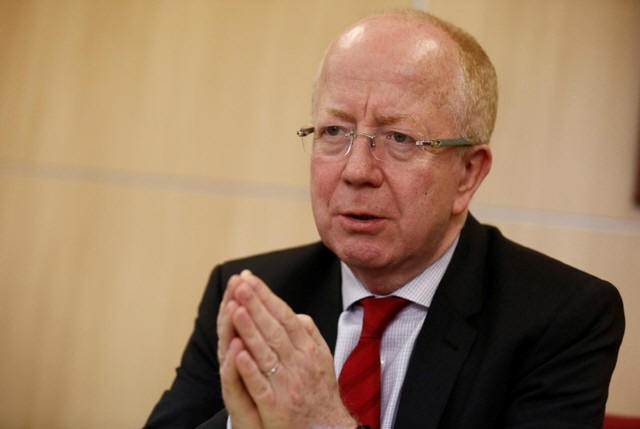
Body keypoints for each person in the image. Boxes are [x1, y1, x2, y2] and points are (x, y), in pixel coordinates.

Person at [145, 9, 624, 429]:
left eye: (399, 139)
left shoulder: (562, 317)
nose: (356, 171)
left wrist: (322, 423)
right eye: (335, 131)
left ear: (468, 174)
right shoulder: (256, 298)